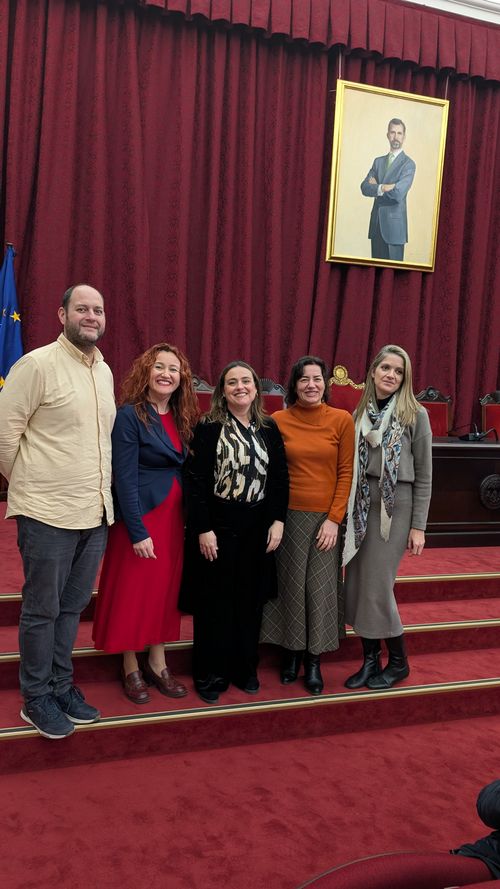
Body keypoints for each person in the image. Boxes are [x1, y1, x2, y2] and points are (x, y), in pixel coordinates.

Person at [0, 284, 115, 739]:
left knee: (71, 608)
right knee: (42, 610)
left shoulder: (103, 370)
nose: (91, 316)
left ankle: (61, 686)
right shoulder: (36, 365)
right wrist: (34, 483)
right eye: (82, 308)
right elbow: (5, 436)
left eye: (98, 310)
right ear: (62, 314)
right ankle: (36, 698)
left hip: (94, 511)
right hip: (47, 513)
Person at [92, 344, 199, 703]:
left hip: (172, 521)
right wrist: (138, 531)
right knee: (133, 591)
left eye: (173, 369)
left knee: (164, 592)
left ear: (182, 377)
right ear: (146, 372)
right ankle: (130, 665)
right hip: (140, 520)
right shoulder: (130, 415)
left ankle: (157, 661)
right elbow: (123, 477)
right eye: (159, 367)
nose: (166, 374)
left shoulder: (183, 415)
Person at [183, 361, 289, 704]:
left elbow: (279, 479)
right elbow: (195, 481)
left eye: (246, 381)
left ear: (256, 388)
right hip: (218, 524)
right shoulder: (209, 426)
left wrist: (278, 521)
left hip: (258, 526)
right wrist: (203, 528)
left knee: (249, 602)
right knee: (215, 603)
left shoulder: (268, 427)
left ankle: (244, 668)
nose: (240, 386)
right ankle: (210, 673)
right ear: (223, 391)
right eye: (232, 382)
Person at [260, 356, 355, 695]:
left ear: (325, 384)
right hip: (286, 518)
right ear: (294, 385)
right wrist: (274, 518)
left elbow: (346, 472)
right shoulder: (277, 420)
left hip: (324, 520)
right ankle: (291, 653)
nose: (311, 385)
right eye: (304, 379)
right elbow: (271, 473)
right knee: (290, 587)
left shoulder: (342, 420)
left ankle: (313, 660)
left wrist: (334, 519)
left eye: (317, 378)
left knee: (318, 589)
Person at [343, 344, 432, 690]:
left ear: (404, 378)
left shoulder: (415, 414)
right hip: (361, 504)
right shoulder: (360, 413)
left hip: (395, 507)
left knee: (377, 586)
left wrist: (419, 526)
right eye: (386, 368)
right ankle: (370, 662)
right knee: (358, 582)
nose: (391, 375)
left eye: (398, 371)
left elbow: (425, 475)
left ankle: (398, 663)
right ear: (373, 371)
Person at [361, 118, 416, 261]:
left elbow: (398, 194)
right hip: (376, 226)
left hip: (394, 230)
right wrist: (384, 187)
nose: (395, 136)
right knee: (375, 272)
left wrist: (376, 187)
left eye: (399, 133)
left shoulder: (408, 164)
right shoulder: (378, 162)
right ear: (387, 135)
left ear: (404, 136)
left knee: (393, 273)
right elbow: (364, 187)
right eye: (392, 132)